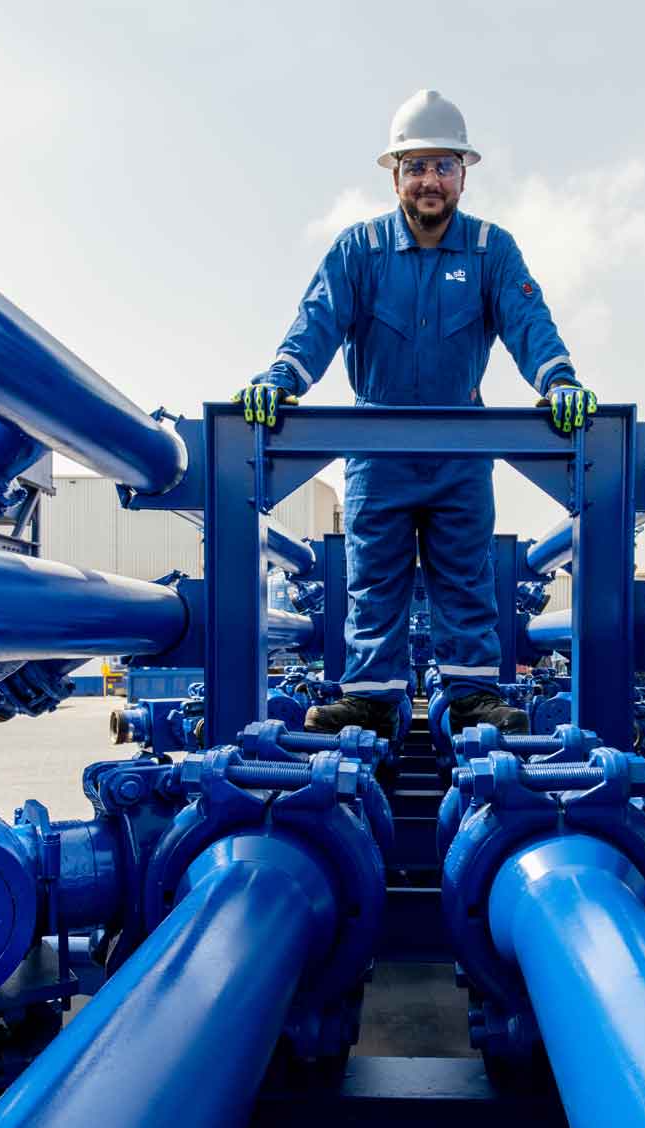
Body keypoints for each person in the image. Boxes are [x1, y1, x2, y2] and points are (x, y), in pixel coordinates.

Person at [238, 89, 595, 740]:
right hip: (378, 449)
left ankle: (470, 698)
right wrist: (282, 376)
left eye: (443, 166)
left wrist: (557, 379)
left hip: (460, 449)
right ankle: (371, 698)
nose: (429, 180)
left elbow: (527, 324)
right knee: (373, 576)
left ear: (464, 172)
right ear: (394, 173)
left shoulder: (492, 250)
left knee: (465, 575)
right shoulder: (359, 250)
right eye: (416, 166)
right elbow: (317, 321)